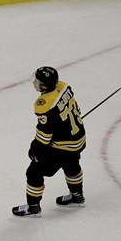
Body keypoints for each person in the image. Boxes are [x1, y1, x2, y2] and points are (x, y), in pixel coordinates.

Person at [12, 66, 86, 217]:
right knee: (71, 164)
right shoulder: (63, 86)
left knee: (33, 172)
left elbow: (44, 136)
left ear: (44, 85)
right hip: (78, 138)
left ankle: (33, 207)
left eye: (37, 81)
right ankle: (77, 195)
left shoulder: (44, 104)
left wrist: (34, 150)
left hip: (63, 145)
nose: (34, 82)